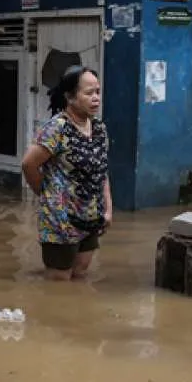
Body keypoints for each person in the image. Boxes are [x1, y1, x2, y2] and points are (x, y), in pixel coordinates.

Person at [20, 66, 112, 280]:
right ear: (70, 97)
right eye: (89, 93)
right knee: (58, 283)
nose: (96, 98)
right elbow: (28, 165)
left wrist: (108, 208)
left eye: (98, 91)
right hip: (59, 222)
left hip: (91, 218)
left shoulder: (99, 129)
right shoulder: (56, 129)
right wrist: (46, 194)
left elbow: (102, 170)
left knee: (80, 275)